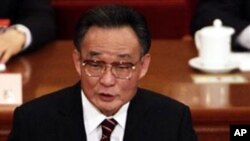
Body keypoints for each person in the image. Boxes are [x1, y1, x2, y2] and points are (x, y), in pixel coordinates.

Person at [8, 4, 197, 141]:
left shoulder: (172, 122)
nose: (107, 80)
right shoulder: (33, 122)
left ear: (143, 65)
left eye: (122, 66)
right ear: (77, 61)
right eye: (96, 64)